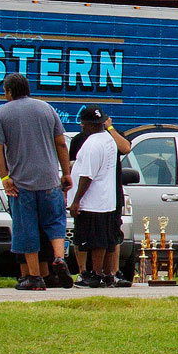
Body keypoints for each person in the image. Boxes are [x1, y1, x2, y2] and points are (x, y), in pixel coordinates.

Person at [0, 73, 74, 291]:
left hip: (22, 183)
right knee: (55, 223)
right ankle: (58, 258)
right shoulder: (47, 109)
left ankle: (34, 277)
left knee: (27, 229)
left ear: (8, 91)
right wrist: (65, 173)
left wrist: (5, 178)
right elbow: (61, 144)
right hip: (50, 181)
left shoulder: (0, 113)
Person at [68, 107, 132, 289]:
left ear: (87, 124)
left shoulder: (92, 143)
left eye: (83, 123)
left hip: (92, 201)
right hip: (105, 200)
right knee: (102, 240)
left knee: (92, 240)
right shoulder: (107, 140)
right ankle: (104, 274)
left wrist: (76, 200)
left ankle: (96, 275)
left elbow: (87, 175)